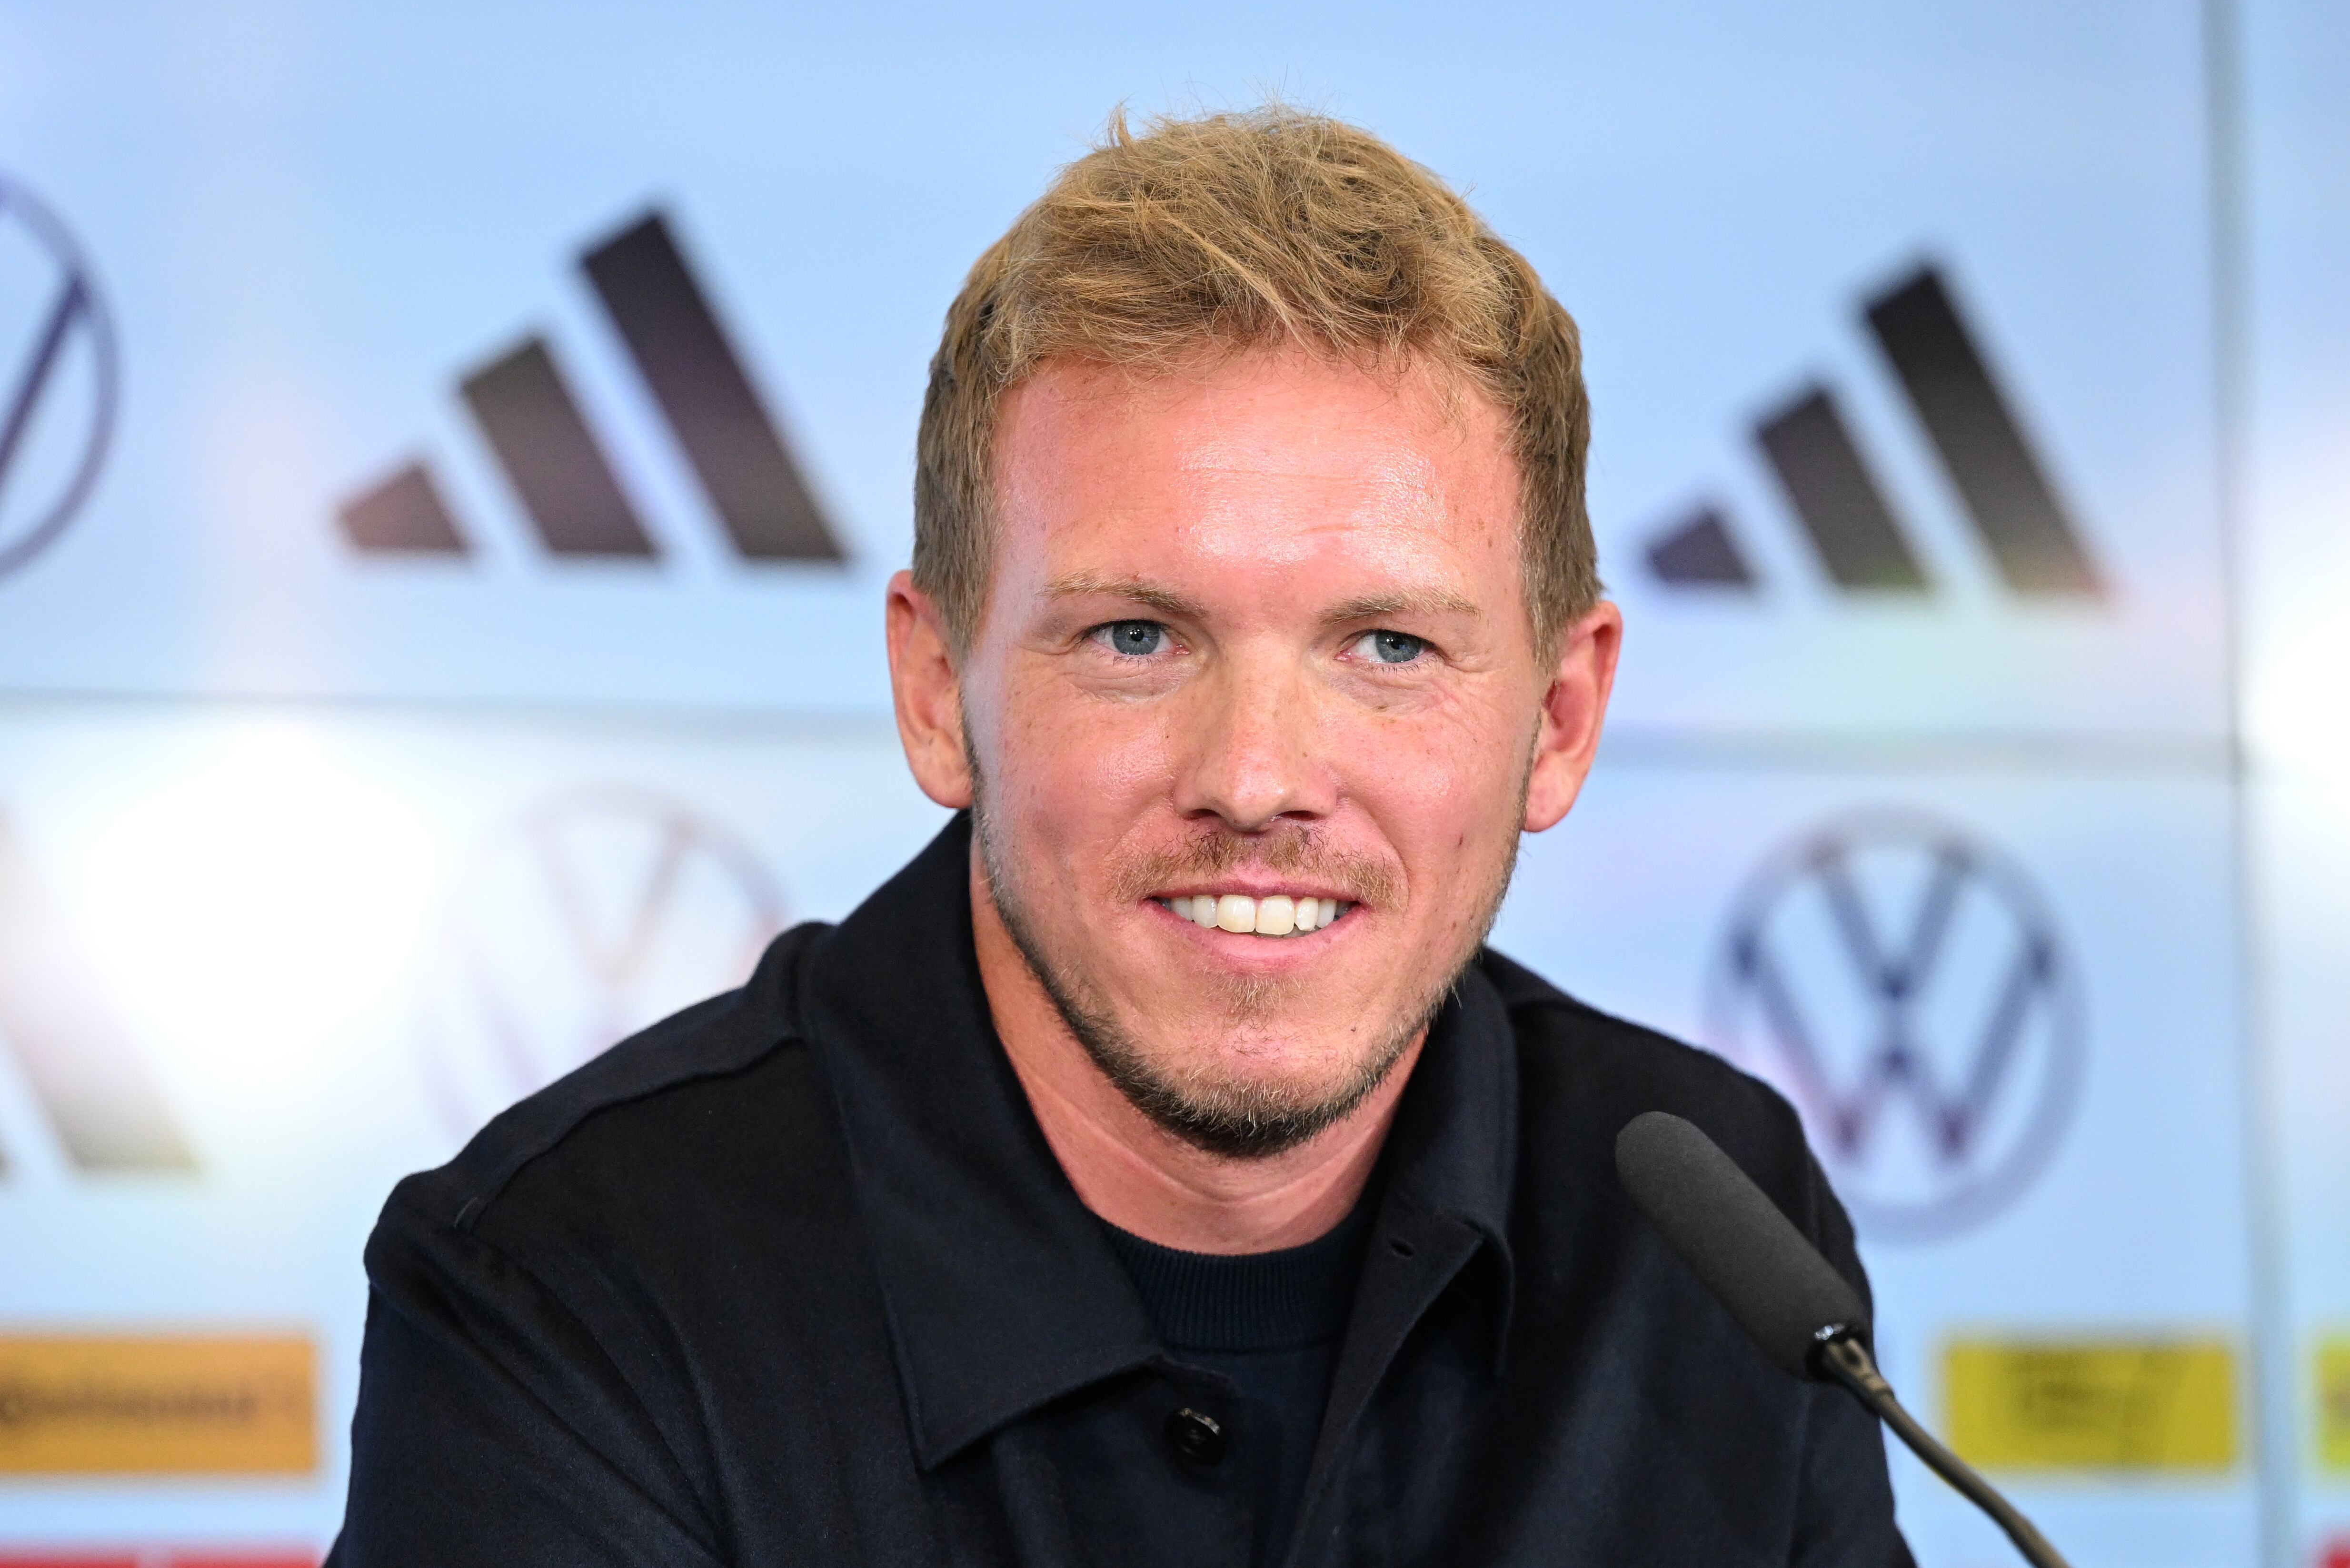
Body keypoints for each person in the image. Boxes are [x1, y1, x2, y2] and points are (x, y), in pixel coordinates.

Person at [329, 107, 1910, 1566]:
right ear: (938, 690)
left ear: (1560, 721)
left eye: (1389, 649)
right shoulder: (568, 1291)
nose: (1257, 776)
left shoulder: (1718, 1248)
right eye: (1138, 639)